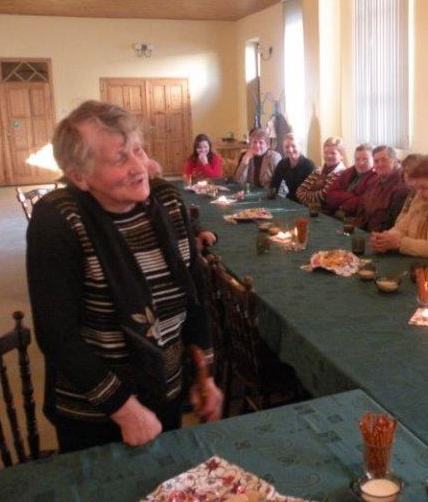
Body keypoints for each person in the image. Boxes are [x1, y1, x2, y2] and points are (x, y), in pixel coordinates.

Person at [26, 100, 223, 453]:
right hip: (95, 413)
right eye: (120, 159)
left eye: (138, 150)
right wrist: (124, 410)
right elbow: (58, 337)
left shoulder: (168, 202)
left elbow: (194, 295)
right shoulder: (59, 221)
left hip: (165, 390)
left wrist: (203, 372)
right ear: (79, 177)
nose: (140, 167)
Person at [357, 145, 410, 232]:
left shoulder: (402, 187)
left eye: (384, 160)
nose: (380, 164)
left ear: (395, 160)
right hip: (364, 231)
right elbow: (362, 209)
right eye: (376, 161)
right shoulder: (373, 182)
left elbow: (394, 224)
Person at [325, 143, 377, 217]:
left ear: (373, 160)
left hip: (355, 218)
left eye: (365, 159)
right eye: (357, 159)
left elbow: (363, 202)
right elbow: (330, 194)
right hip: (335, 213)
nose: (360, 163)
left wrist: (341, 206)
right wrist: (351, 196)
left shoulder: (376, 177)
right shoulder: (349, 171)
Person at [296, 137, 347, 206]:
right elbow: (299, 192)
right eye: (326, 152)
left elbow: (324, 196)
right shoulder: (318, 171)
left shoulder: (342, 174)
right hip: (312, 210)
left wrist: (308, 198)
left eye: (333, 153)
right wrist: (312, 205)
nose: (328, 156)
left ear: (341, 156)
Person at [269, 134, 316, 202]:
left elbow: (309, 194)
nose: (290, 150)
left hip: (300, 205)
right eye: (286, 147)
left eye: (293, 146)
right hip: (281, 202)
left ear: (300, 147)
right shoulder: (282, 164)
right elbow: (273, 185)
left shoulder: (309, 166)